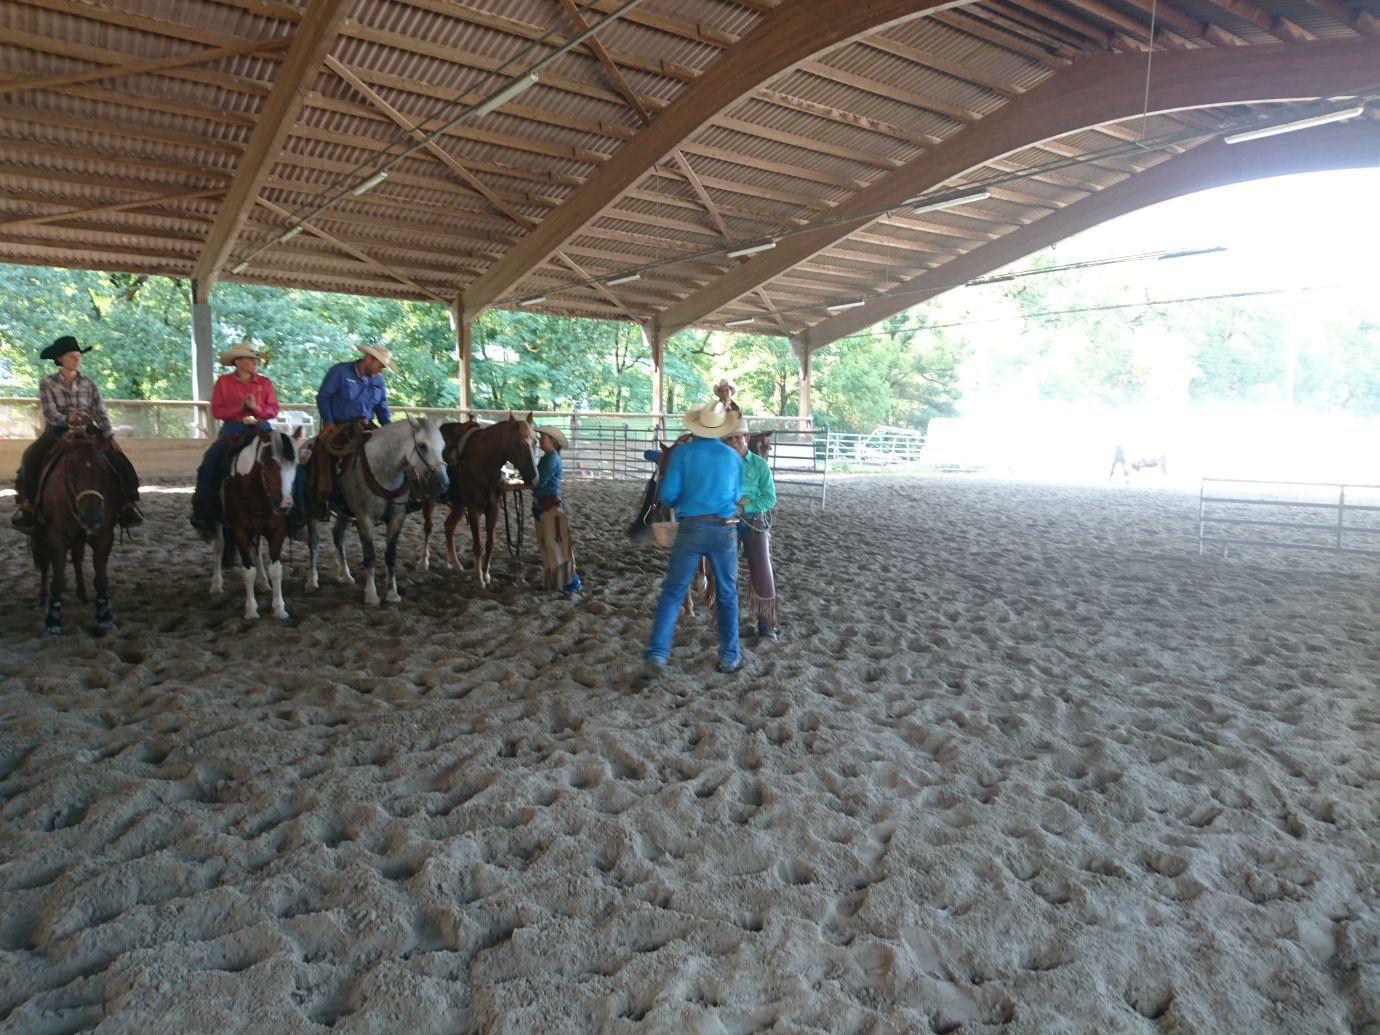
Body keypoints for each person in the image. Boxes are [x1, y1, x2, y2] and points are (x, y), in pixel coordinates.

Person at [636, 399, 743, 688]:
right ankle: (730, 655)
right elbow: (736, 493)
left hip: (691, 528)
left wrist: (687, 497)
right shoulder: (732, 456)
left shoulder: (683, 453)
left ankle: (657, 654)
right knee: (727, 592)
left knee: (672, 592)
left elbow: (668, 495)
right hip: (724, 530)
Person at [11, 334, 142, 532]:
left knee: (120, 460)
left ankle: (128, 504)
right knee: (31, 457)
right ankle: (28, 504)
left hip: (88, 429)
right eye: (72, 356)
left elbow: (100, 411)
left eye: (78, 355)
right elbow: (49, 412)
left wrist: (108, 435)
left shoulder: (89, 384)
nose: (77, 359)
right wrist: (67, 419)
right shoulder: (47, 383)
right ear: (60, 359)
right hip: (57, 430)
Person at [190, 342, 302, 533]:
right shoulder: (223, 383)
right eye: (250, 359)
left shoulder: (265, 383)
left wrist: (256, 408)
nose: (254, 363)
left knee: (289, 459)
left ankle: (298, 510)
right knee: (210, 462)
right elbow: (218, 411)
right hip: (232, 430)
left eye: (255, 360)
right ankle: (202, 508)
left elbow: (273, 409)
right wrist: (240, 408)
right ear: (238, 362)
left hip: (262, 428)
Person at [308, 342, 394, 518]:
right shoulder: (340, 371)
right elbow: (324, 396)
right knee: (322, 451)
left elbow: (381, 408)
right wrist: (329, 422)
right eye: (380, 365)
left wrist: (389, 430)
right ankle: (321, 497)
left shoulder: (378, 381)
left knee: (392, 451)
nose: (381, 370)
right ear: (368, 358)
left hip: (366, 425)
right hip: (340, 425)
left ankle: (393, 496)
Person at [726, 417, 779, 640]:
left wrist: (744, 506)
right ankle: (730, 623)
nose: (735, 441)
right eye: (730, 438)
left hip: (753, 520)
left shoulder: (760, 465)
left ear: (747, 438)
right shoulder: (722, 465)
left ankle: (766, 624)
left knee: (762, 569)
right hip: (727, 521)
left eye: (738, 437)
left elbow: (769, 498)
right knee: (727, 572)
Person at [532, 426, 581, 594]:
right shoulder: (549, 458)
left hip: (549, 507)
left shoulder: (551, 459)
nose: (540, 440)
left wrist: (515, 485)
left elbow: (538, 481)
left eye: (543, 437)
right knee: (551, 546)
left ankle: (570, 584)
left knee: (555, 547)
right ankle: (558, 583)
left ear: (552, 441)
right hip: (546, 506)